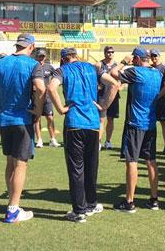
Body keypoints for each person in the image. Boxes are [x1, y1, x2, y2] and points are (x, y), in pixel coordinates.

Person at [47, 47, 120, 223]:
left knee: (76, 168)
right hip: (93, 123)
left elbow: (51, 87)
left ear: (64, 59)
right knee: (91, 165)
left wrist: (60, 108)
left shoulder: (62, 70)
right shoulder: (92, 68)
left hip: (74, 123)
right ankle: (91, 203)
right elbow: (115, 84)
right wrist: (103, 105)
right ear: (76, 56)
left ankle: (79, 210)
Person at [0, 34, 45, 224]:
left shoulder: (0, 63)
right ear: (31, 46)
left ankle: (11, 203)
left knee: (10, 162)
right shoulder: (33, 65)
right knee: (21, 165)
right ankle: (13, 209)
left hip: (4, 120)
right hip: (23, 119)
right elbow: (41, 89)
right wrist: (38, 111)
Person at [110, 47, 164, 213]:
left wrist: (124, 62)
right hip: (150, 122)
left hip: (135, 123)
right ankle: (154, 199)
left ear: (139, 59)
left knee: (132, 161)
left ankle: (129, 201)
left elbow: (113, 72)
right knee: (151, 161)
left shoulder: (135, 72)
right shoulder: (157, 73)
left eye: (134, 58)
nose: (132, 60)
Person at [34, 49, 60, 148]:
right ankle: (39, 140)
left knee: (50, 118)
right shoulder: (33, 66)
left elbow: (57, 76)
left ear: (45, 57)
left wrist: (52, 85)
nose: (41, 58)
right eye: (40, 56)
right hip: (36, 96)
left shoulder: (49, 67)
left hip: (47, 97)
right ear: (36, 57)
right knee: (37, 119)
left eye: (43, 56)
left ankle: (52, 139)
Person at [150, 49, 165, 155]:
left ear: (159, 56)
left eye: (155, 56)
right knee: (150, 123)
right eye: (152, 56)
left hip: (161, 100)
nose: (154, 58)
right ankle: (150, 145)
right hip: (150, 100)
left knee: (164, 123)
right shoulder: (149, 68)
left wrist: (157, 97)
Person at [98, 46, 120, 150]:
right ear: (104, 53)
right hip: (102, 95)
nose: (110, 53)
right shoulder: (100, 64)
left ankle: (108, 141)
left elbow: (121, 80)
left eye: (112, 52)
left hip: (113, 96)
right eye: (108, 52)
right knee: (101, 119)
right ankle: (98, 142)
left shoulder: (117, 65)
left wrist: (120, 86)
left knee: (111, 119)